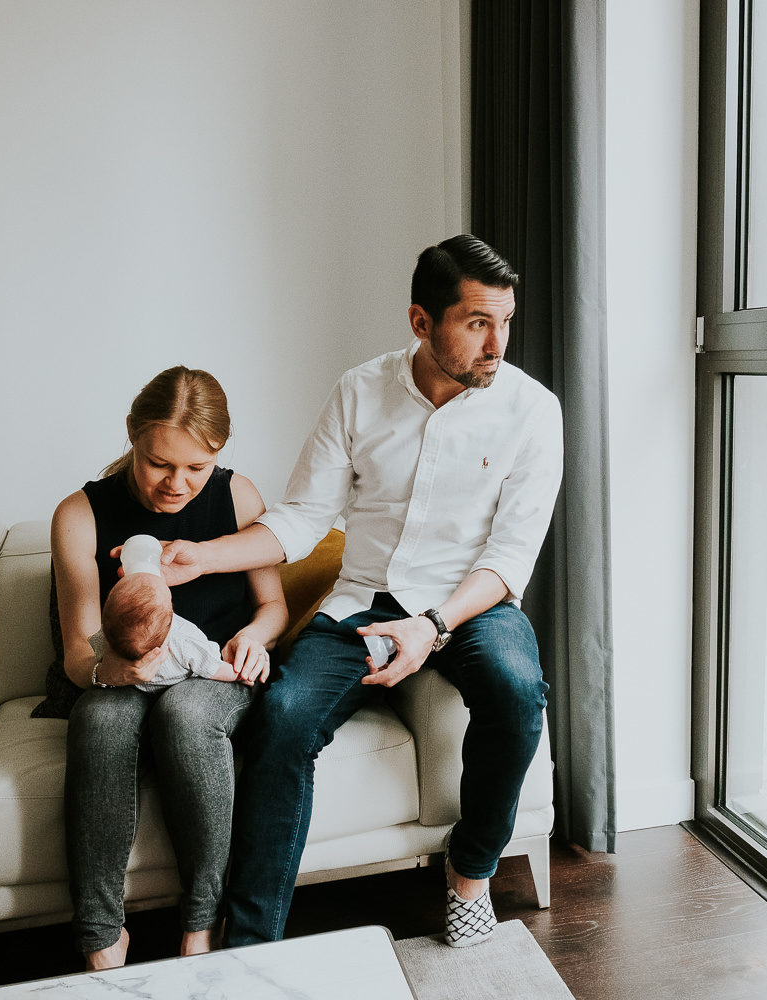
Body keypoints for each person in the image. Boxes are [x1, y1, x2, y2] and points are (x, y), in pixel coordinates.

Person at [139, 235, 563, 948]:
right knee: (282, 719)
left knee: (519, 693)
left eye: (505, 321)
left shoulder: (534, 410)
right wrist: (202, 557)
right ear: (421, 321)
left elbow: (510, 556)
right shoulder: (359, 391)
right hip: (364, 599)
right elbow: (303, 518)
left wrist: (433, 624)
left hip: (471, 603)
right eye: (477, 323)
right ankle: (250, 948)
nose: (498, 344)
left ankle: (469, 874)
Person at [44, 366, 288, 969]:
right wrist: (110, 672)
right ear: (132, 434)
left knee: (185, 712)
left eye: (197, 467)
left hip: (212, 669)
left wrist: (253, 638)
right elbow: (78, 652)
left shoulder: (238, 497)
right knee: (99, 720)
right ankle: (102, 938)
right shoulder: (80, 514)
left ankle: (202, 925)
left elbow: (273, 607)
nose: (177, 485)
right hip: (121, 670)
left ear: (219, 452)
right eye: (159, 464)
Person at [92, 571, 268, 691]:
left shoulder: (107, 637)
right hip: (183, 682)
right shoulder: (183, 640)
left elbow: (97, 653)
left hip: (139, 687)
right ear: (170, 610)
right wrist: (240, 675)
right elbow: (212, 667)